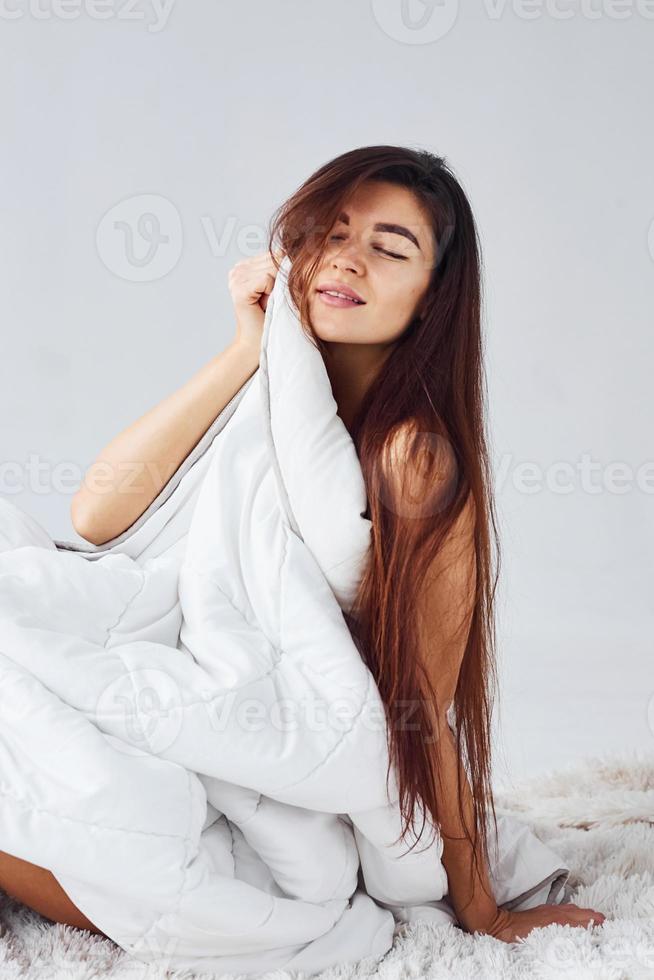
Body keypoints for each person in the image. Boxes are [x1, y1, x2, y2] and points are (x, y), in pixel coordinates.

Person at [1, 145, 605, 945]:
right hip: (177, 678)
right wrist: (247, 348)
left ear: (432, 299)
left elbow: (423, 700)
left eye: (390, 249)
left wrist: (483, 909)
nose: (348, 260)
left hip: (279, 770)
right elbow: (97, 517)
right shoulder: (277, 385)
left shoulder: (413, 460)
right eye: (332, 232)